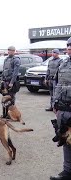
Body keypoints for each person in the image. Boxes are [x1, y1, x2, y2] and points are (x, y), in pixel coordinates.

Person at [50, 38, 71, 180]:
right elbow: (57, 84)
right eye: (68, 46)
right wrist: (55, 103)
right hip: (63, 108)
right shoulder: (63, 63)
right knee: (65, 139)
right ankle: (67, 172)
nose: (69, 49)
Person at [0, 46, 21, 118]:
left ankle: (10, 114)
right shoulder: (6, 59)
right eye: (8, 50)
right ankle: (4, 114)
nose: (9, 52)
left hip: (12, 82)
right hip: (5, 81)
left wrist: (11, 82)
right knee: (5, 98)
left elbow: (15, 72)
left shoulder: (16, 59)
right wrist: (2, 79)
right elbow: (4, 70)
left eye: (11, 50)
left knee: (11, 98)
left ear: (14, 51)